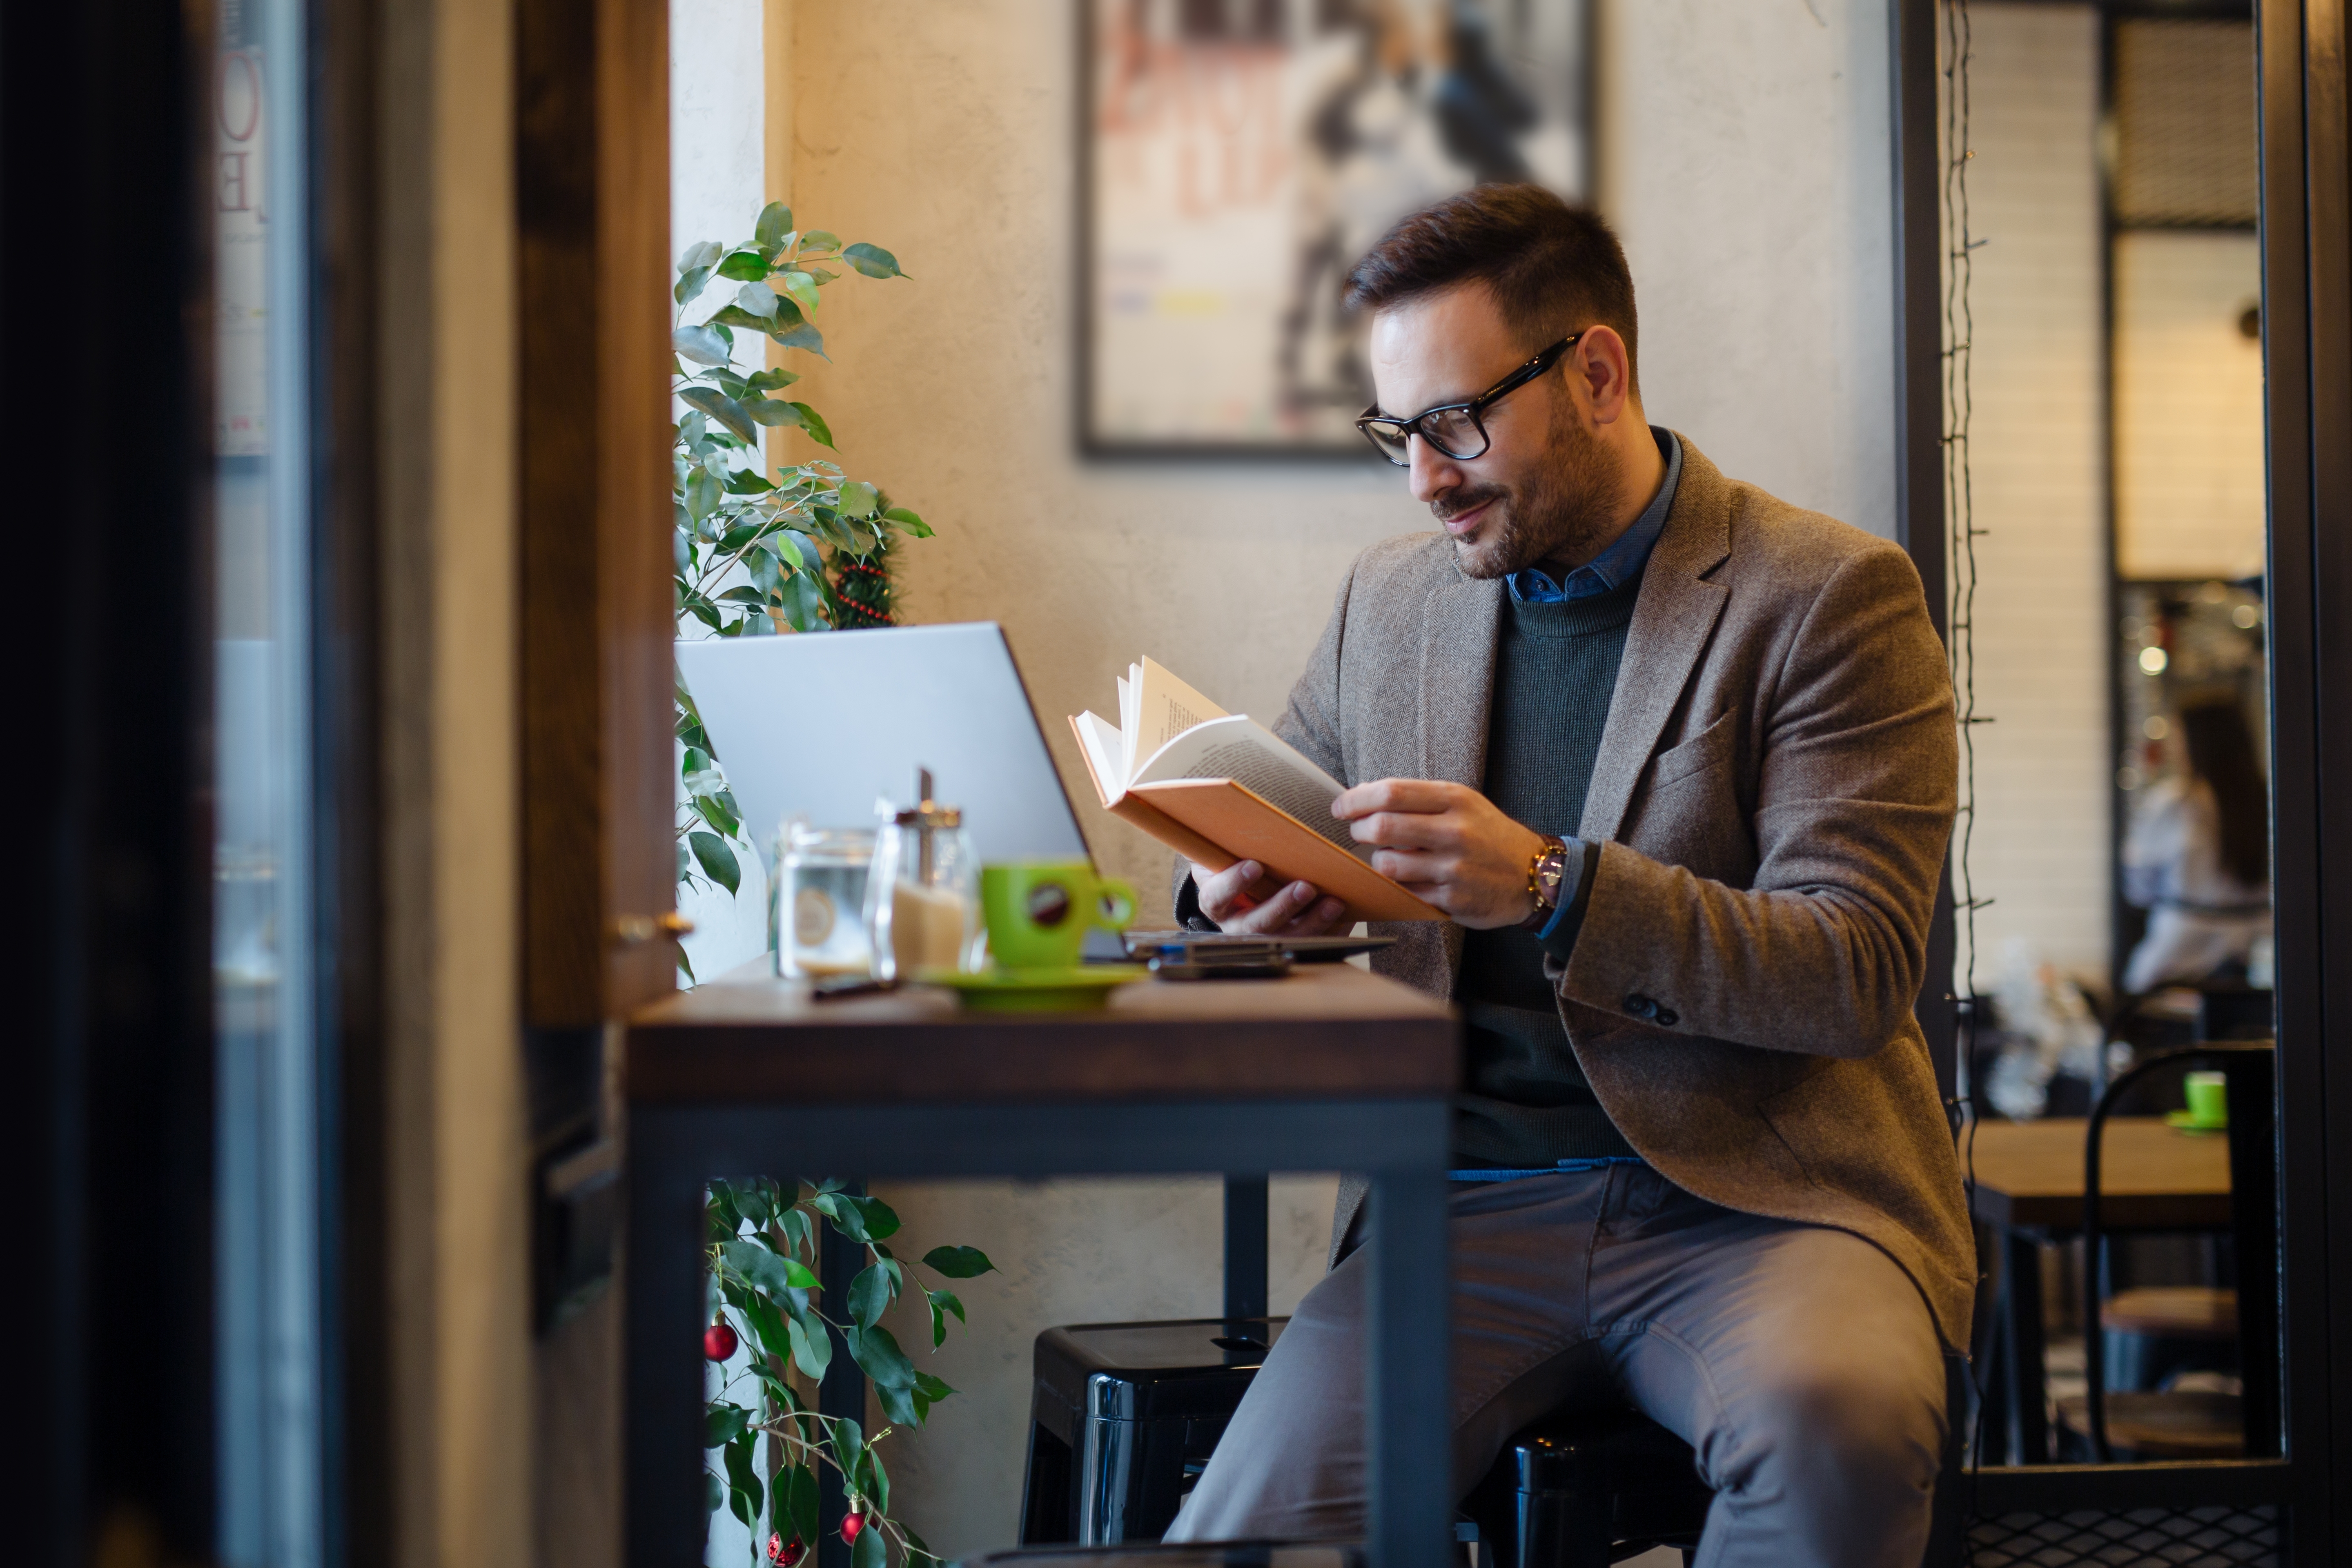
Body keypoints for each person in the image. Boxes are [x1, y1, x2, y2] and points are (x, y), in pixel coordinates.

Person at [1160, 185, 1971, 1568]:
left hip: (1762, 1203)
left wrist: (1551, 884)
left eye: (1455, 423)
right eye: (1397, 434)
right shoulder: (1391, 603)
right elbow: (1279, 805)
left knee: (1841, 1430)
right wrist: (1229, 895)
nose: (1424, 476)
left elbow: (1854, 971)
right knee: (1251, 1536)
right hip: (1464, 1205)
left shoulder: (1828, 596)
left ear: (1597, 373)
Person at [2119, 697, 2272, 994]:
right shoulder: (2269, 799)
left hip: (2181, 957)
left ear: (2196, 742)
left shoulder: (2174, 802)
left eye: (2177, 736)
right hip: (2260, 956)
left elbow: (2138, 889)